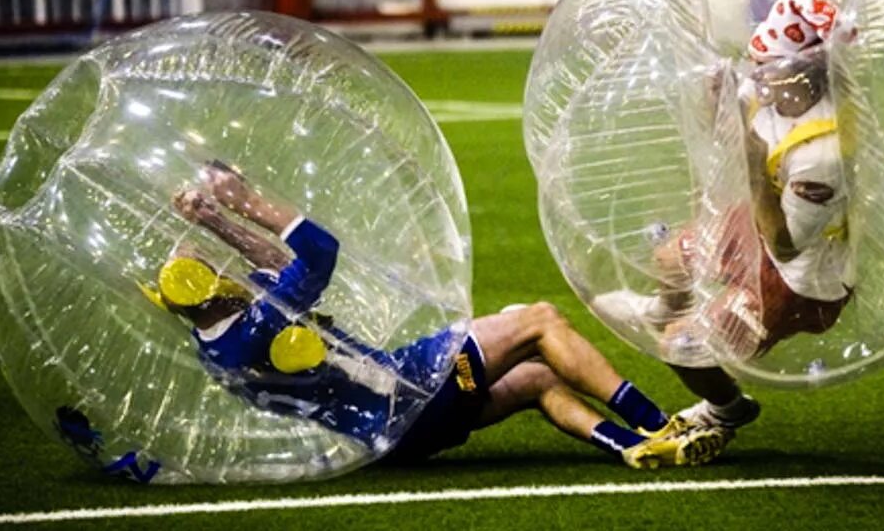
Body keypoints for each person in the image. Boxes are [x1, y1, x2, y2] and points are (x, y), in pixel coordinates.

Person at [141, 161, 730, 469]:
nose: (224, 270)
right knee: (538, 319)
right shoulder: (259, 322)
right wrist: (247, 204)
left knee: (535, 377)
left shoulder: (221, 341)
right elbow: (316, 251)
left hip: (388, 433)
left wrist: (214, 222)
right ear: (208, 292)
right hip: (412, 394)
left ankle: (629, 446)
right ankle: (660, 423)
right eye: (210, 268)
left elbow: (270, 267)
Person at [595, 0, 857, 431]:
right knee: (669, 258)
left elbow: (785, 246)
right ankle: (662, 309)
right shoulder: (779, 91)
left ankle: (726, 408)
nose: (759, 74)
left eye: (770, 66)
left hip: (799, 282)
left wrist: (754, 163)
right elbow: (724, 124)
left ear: (806, 74)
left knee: (682, 347)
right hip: (766, 223)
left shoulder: (822, 153)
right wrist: (714, 99)